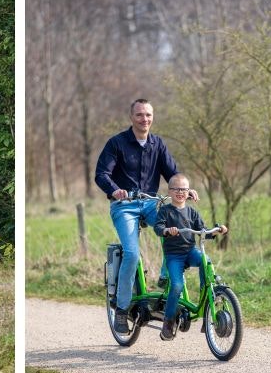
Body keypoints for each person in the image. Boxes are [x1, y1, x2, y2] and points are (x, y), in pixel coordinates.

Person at [94, 98, 198, 334]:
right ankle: (121, 309)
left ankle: (165, 277)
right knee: (131, 253)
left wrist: (185, 188)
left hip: (151, 203)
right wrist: (114, 190)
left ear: (153, 117)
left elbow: (173, 173)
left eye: (148, 115)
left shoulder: (157, 144)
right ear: (132, 117)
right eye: (140, 115)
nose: (145, 119)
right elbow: (101, 174)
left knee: (175, 232)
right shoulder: (117, 144)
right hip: (125, 206)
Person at [154, 173, 228, 340]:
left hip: (190, 251)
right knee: (177, 286)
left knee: (205, 261)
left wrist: (216, 230)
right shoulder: (165, 211)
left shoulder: (192, 213)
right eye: (176, 189)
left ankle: (206, 303)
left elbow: (203, 230)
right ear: (170, 191)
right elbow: (158, 227)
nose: (180, 192)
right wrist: (166, 230)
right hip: (174, 255)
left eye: (184, 189)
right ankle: (168, 321)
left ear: (189, 192)